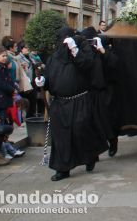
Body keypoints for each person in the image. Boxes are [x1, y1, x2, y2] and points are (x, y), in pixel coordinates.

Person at [39, 28, 105, 180]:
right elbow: (49, 77)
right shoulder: (54, 58)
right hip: (60, 104)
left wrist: (75, 50)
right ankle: (62, 169)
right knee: (61, 137)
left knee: (81, 132)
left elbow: (88, 65)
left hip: (80, 100)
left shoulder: (82, 50)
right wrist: (43, 82)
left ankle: (90, 157)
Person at [81, 27, 119, 157]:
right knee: (91, 123)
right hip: (90, 92)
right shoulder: (85, 53)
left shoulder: (105, 51)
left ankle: (112, 141)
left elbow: (114, 64)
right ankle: (93, 153)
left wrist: (102, 51)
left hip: (105, 91)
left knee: (107, 120)